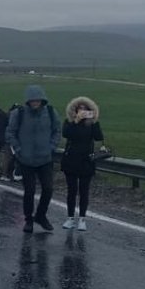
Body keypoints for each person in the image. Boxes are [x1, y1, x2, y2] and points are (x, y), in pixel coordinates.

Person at [6, 85, 61, 232]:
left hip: (45, 158)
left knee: (48, 189)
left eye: (38, 100)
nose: (35, 103)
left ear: (42, 100)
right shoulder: (19, 113)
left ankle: (41, 216)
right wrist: (18, 150)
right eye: (32, 100)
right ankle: (28, 219)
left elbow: (57, 130)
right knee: (29, 191)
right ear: (28, 101)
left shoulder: (50, 112)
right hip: (26, 159)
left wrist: (51, 147)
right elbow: (10, 133)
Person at [61, 97, 105, 232]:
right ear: (75, 110)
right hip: (71, 160)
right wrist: (76, 121)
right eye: (80, 108)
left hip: (86, 161)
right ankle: (70, 218)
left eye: (85, 109)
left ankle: (82, 219)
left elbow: (99, 137)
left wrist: (95, 121)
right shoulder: (69, 122)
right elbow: (66, 134)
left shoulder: (91, 124)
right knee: (72, 190)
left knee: (84, 191)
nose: (83, 111)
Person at [4, 103, 23, 181]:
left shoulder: (10, 115)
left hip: (12, 139)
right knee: (14, 157)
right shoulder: (18, 116)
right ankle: (12, 174)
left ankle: (8, 174)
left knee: (11, 157)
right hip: (14, 139)